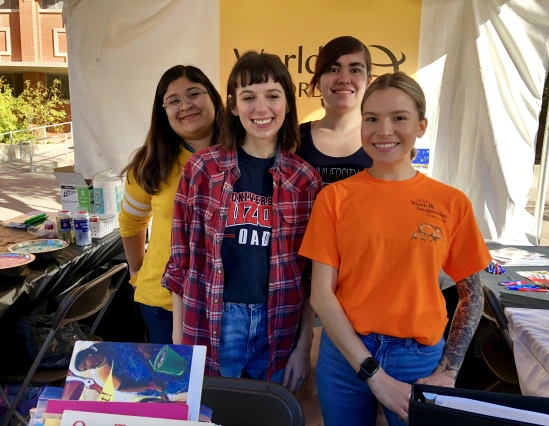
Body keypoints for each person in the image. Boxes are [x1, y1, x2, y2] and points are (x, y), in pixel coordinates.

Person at [299, 72, 491, 426]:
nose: (383, 131)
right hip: (345, 354)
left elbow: (472, 295)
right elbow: (321, 296)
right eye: (371, 118)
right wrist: (373, 374)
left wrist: (449, 371)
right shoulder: (335, 198)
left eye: (398, 118)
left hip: (418, 360)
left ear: (421, 125)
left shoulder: (451, 203)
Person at [162, 51, 322, 391]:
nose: (260, 108)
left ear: (289, 104)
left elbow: (311, 276)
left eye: (272, 96)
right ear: (233, 106)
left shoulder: (305, 179)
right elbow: (180, 263)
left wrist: (303, 346)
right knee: (214, 411)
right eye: (248, 97)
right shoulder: (202, 169)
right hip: (212, 319)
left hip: (279, 323)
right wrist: (180, 338)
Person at [119, 65, 224, 344]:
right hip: (163, 303)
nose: (185, 105)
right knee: (176, 386)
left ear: (213, 98)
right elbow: (131, 220)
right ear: (163, 111)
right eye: (173, 100)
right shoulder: (151, 162)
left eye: (193, 94)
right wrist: (137, 270)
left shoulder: (245, 154)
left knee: (222, 387)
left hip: (228, 303)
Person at [295, 36, 373, 186]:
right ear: (317, 81)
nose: (344, 79)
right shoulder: (294, 140)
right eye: (333, 69)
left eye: (355, 70)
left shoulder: (381, 139)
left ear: (368, 81)